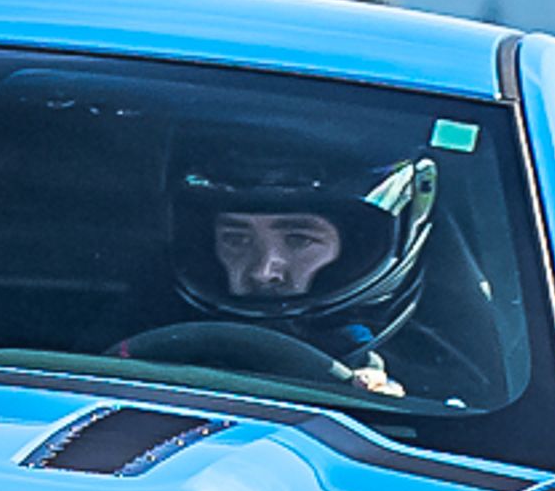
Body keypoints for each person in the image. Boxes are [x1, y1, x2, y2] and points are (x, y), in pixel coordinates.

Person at [125, 147, 442, 395]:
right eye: (236, 239)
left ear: (356, 250)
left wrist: (376, 401)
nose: (263, 271)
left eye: (299, 239)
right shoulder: (131, 325)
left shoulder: (437, 367)